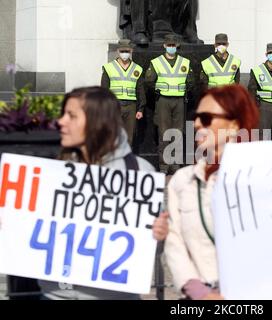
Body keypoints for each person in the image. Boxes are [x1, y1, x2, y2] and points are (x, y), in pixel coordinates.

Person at [37, 86, 169, 300]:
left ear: (97, 122)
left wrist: (160, 236)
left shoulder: (139, 172)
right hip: (55, 296)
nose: (61, 122)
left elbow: (149, 249)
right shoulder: (52, 169)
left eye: (71, 116)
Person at [164, 85, 259, 300]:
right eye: (196, 117)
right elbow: (174, 242)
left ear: (234, 125)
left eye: (206, 118)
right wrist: (200, 292)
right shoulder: (182, 181)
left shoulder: (262, 179)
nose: (197, 123)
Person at [145, 34, 194, 175]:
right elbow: (149, 81)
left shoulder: (185, 62)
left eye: (174, 45)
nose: (171, 47)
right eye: (169, 45)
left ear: (177, 46)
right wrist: (158, 92)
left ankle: (175, 164)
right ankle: (164, 165)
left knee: (178, 133)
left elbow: (191, 82)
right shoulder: (156, 62)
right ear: (164, 46)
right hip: (163, 101)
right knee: (164, 133)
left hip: (179, 100)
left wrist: (184, 90)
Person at [101, 39, 146, 146]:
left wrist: (141, 109)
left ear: (131, 51)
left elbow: (140, 90)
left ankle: (127, 160)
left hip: (131, 106)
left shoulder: (137, 69)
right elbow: (104, 90)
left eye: (127, 51)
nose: (125, 53)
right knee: (114, 135)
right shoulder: (109, 68)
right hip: (115, 106)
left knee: (129, 137)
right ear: (118, 51)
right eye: (122, 51)